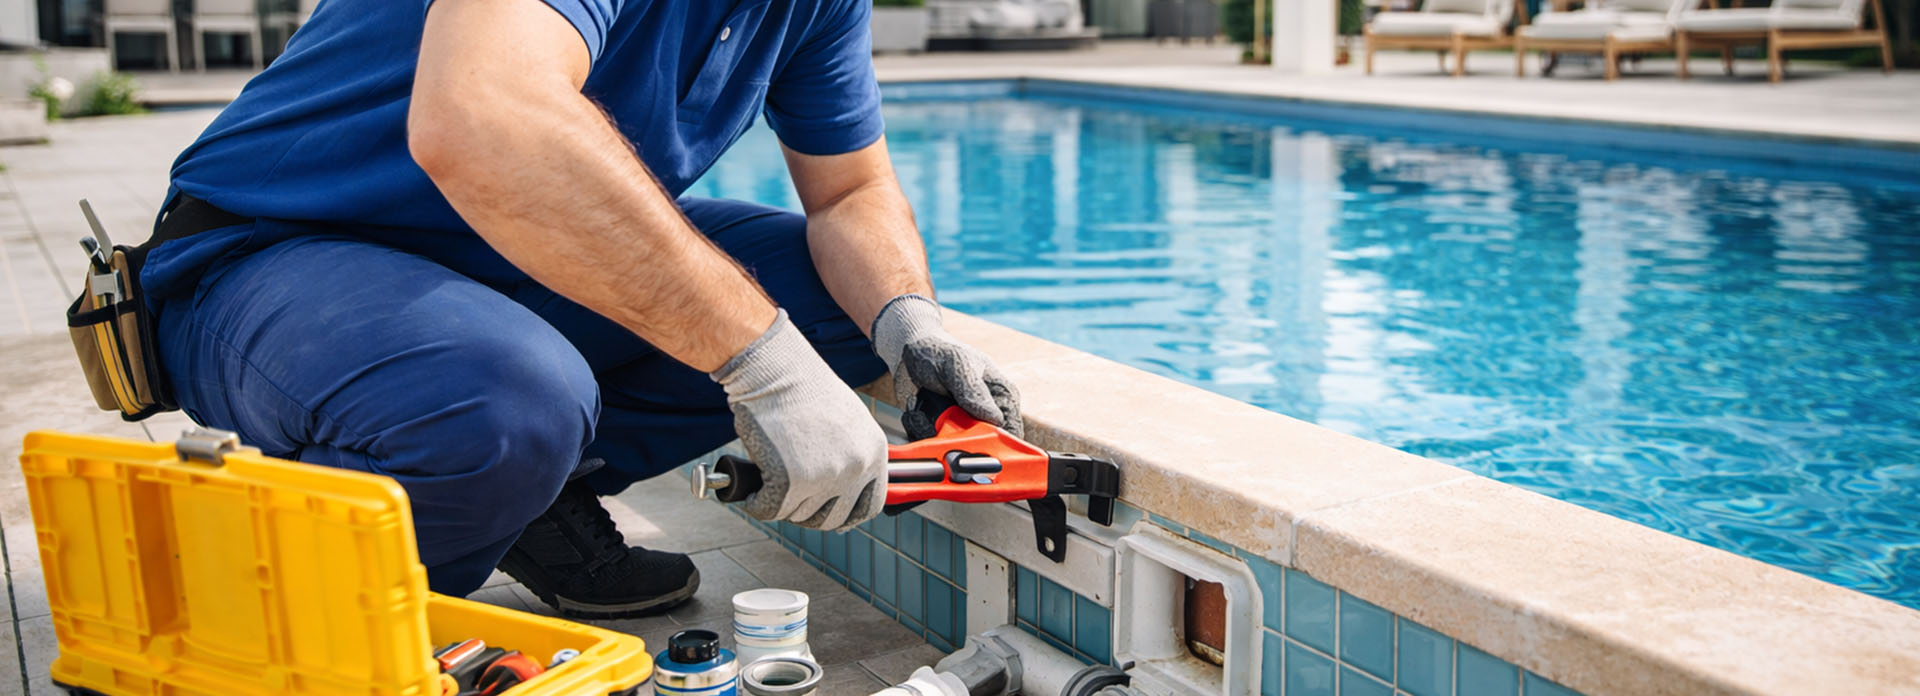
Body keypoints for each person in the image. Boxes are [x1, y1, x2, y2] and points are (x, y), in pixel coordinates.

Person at [141, 0, 1022, 618]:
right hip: (272, 252)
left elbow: (851, 190)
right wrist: (768, 367)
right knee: (500, 404)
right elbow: (484, 116)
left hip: (494, 262)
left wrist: (911, 325)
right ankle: (270, 613)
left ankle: (528, 496)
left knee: (836, 308)